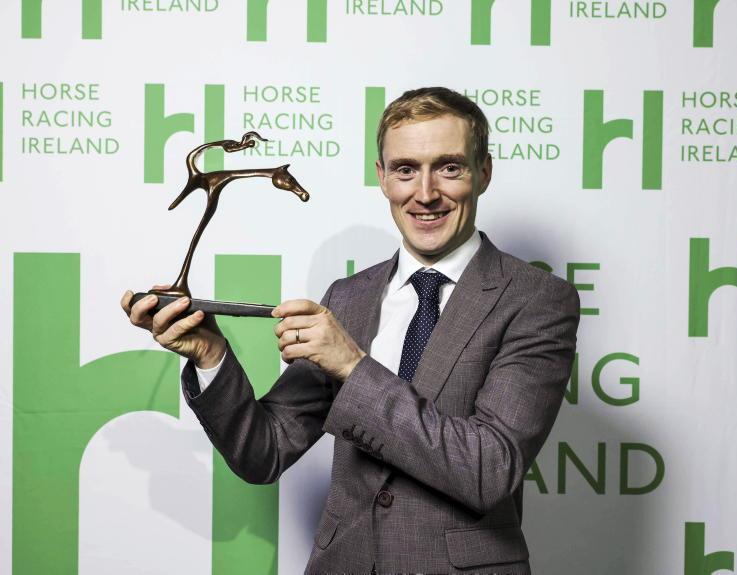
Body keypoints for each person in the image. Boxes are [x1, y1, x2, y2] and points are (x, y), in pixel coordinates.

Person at [122, 87, 580, 574]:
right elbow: (264, 451)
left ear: (483, 172)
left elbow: (488, 470)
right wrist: (209, 354)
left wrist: (352, 366)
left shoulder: (536, 300)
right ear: (382, 177)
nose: (426, 193)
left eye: (449, 168)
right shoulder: (349, 297)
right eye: (405, 169)